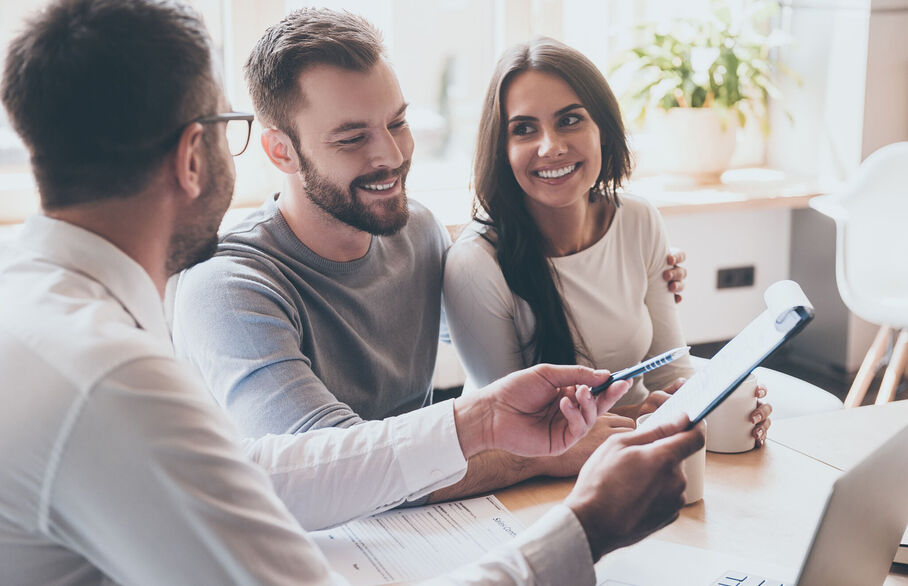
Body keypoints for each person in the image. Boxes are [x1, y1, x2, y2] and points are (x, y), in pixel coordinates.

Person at [0, 1, 706, 584]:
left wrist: (480, 421)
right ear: (194, 155)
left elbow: (271, 470)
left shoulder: (44, 318)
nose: (391, 154)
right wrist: (585, 529)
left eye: (397, 123)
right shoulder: (114, 380)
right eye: (229, 129)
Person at [171, 8, 688, 501]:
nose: (392, 158)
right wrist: (539, 455)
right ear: (281, 151)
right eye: (353, 138)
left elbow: (490, 312)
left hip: (430, 525)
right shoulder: (229, 288)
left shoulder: (414, 230)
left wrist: (634, 270)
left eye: (397, 123)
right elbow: (330, 472)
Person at [443, 38, 772, 443]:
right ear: (501, 148)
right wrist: (644, 417)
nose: (551, 147)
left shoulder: (637, 220)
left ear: (603, 128)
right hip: (526, 477)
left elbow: (670, 372)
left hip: (634, 450)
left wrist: (716, 403)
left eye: (569, 120)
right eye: (524, 129)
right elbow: (516, 433)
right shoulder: (475, 263)